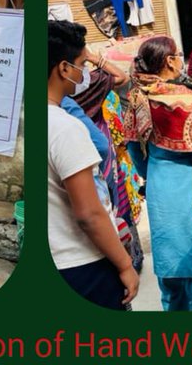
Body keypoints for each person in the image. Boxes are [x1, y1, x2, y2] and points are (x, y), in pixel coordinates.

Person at [47, 20, 139, 310]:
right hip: (83, 264)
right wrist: (125, 265)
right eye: (80, 64)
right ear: (64, 69)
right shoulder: (65, 128)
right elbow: (89, 214)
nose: (84, 72)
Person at [122, 35, 192, 311]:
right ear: (168, 61)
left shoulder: (138, 96)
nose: (181, 59)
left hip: (159, 189)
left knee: (171, 278)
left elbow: (133, 147)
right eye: (178, 54)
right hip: (190, 190)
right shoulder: (186, 101)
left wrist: (152, 174)